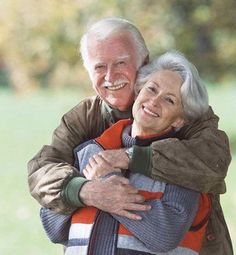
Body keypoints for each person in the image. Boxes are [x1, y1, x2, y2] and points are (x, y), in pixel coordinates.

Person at [27, 17, 233, 254]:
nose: (110, 77)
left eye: (121, 63)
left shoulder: (184, 104)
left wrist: (128, 158)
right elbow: (43, 171)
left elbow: (213, 159)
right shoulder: (84, 121)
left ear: (144, 62)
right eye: (99, 67)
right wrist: (87, 191)